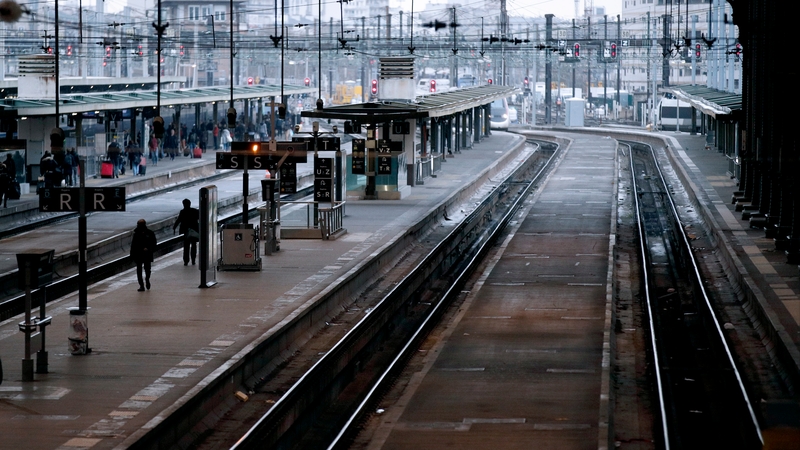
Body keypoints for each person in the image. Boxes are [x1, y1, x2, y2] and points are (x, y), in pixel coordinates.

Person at [130, 218, 157, 291]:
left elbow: (154, 243)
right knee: (140, 270)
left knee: (147, 269)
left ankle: (147, 279)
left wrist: (149, 249)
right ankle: (141, 285)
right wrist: (132, 254)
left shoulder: (149, 233)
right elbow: (133, 245)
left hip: (146, 253)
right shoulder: (136, 234)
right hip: (139, 254)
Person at [173, 198, 200, 265]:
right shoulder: (195, 211)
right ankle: (193, 260)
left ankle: (186, 261)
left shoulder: (182, 212)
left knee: (186, 246)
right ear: (190, 204)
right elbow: (200, 218)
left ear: (183, 204)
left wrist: (174, 227)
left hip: (185, 231)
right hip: (194, 231)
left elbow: (178, 220)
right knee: (194, 245)